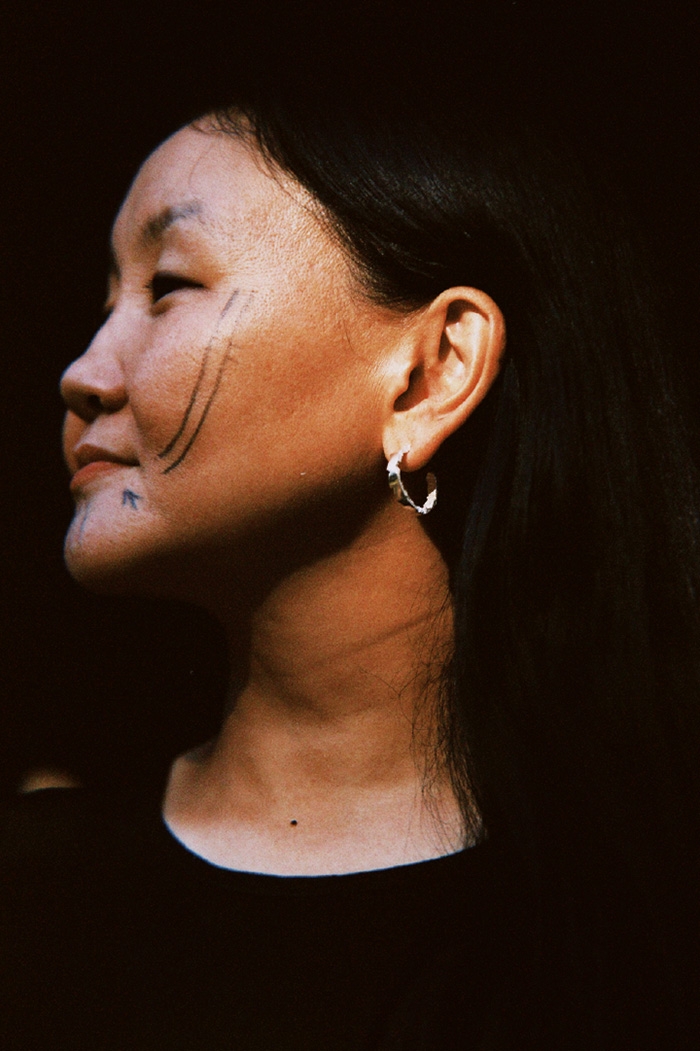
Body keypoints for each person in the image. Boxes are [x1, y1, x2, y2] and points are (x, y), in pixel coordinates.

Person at [1, 76, 699, 1050]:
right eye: (106, 300)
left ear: (431, 373)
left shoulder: (644, 934)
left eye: (169, 287)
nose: (82, 373)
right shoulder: (37, 893)